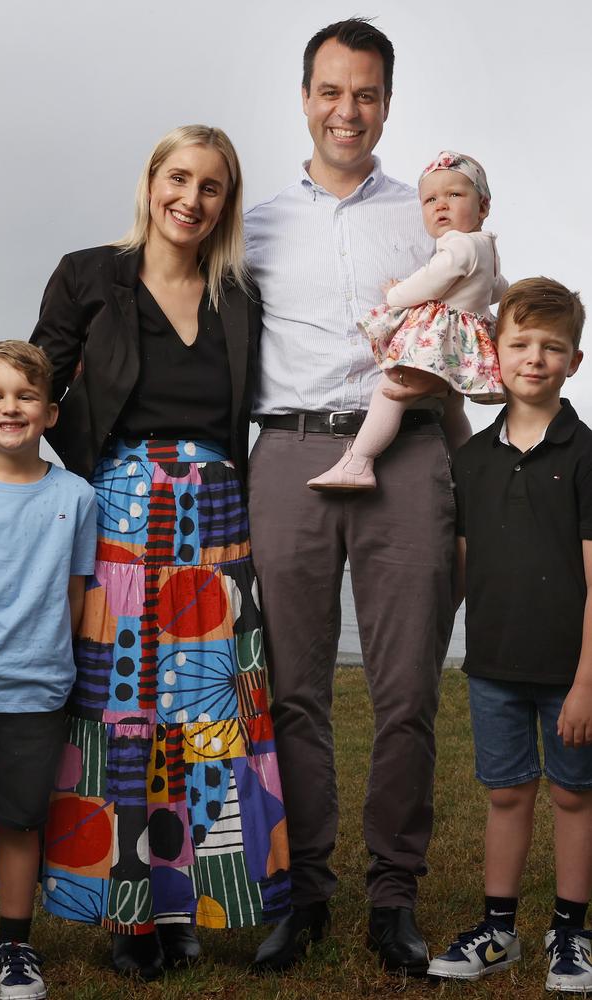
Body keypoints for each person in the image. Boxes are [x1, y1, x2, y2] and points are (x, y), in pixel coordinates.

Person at [0, 125, 290, 981]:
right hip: (122, 524)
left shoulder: (240, 294)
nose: (191, 199)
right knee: (119, 720)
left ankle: (187, 907)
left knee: (205, 723)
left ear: (225, 202)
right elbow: (30, 385)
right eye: (178, 179)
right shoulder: (88, 275)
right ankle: (123, 911)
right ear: (150, 182)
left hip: (215, 529)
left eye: (211, 187)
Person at [245, 18, 455, 975]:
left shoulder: (427, 215)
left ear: (386, 103)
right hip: (287, 452)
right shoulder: (253, 225)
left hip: (407, 456)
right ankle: (304, 892)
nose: (347, 111)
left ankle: (394, 898)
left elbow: (462, 350)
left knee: (406, 688)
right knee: (293, 689)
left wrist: (469, 476)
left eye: (365, 94)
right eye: (331, 91)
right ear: (304, 96)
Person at [428, 277, 592, 993]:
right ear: (494, 352)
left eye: (552, 348)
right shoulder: (470, 458)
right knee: (505, 794)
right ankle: (499, 930)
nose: (535, 358)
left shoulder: (587, 455)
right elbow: (463, 568)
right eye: (520, 343)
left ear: (574, 362)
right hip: (492, 662)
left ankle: (571, 935)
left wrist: (588, 680)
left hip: (570, 672)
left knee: (574, 797)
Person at [0, 341, 96, 1000]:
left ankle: (14, 946)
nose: (12, 408)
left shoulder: (77, 497)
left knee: (20, 824)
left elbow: (75, 593)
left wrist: (64, 674)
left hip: (37, 693)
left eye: (26, 395)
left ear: (50, 413)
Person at [308, 150, 507, 491]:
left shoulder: (458, 247)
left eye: (454, 195)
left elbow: (432, 279)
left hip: (440, 341)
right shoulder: (486, 247)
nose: (440, 205)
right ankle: (467, 468)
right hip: (460, 344)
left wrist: (396, 293)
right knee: (451, 407)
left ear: (483, 207)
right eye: (430, 199)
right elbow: (497, 289)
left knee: (390, 393)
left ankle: (359, 462)